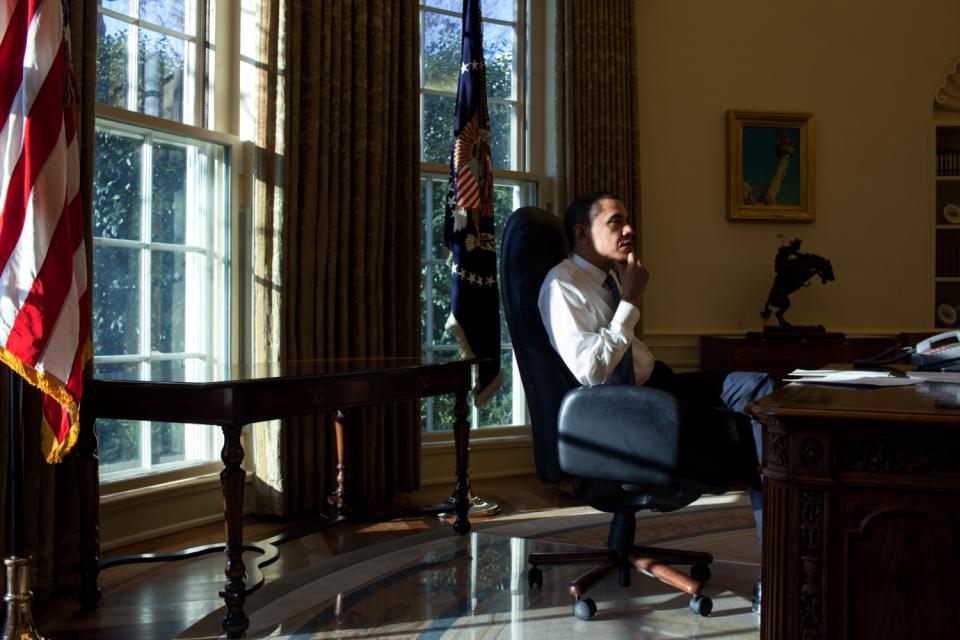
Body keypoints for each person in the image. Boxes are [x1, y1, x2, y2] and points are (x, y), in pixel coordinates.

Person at [538, 191, 773, 614]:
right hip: (625, 415)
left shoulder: (607, 279)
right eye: (615, 222)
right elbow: (592, 372)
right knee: (746, 433)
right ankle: (779, 572)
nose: (629, 230)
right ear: (581, 232)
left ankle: (782, 554)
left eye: (628, 221)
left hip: (656, 386)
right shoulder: (563, 285)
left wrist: (625, 295)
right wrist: (629, 301)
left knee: (761, 393)